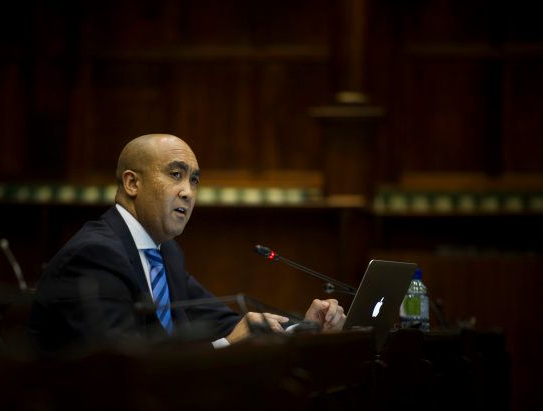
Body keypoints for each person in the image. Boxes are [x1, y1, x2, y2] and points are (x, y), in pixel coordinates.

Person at [26, 134, 346, 357]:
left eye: (193, 180)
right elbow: (120, 368)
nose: (188, 192)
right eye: (175, 174)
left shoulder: (165, 252)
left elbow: (223, 320)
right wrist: (224, 346)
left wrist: (302, 327)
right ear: (131, 183)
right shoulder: (96, 254)